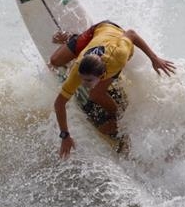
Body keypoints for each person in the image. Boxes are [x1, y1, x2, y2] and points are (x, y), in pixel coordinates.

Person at [50, 20, 176, 158]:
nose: (83, 83)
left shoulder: (119, 55)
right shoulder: (78, 69)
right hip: (98, 32)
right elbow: (59, 103)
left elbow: (131, 33)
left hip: (112, 34)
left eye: (88, 81)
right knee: (54, 61)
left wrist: (154, 58)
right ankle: (73, 37)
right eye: (82, 78)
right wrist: (65, 135)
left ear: (101, 76)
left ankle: (117, 115)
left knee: (95, 94)